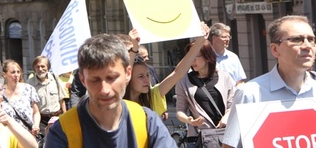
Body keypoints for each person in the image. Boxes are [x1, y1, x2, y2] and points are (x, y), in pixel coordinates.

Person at [221, 15, 316, 148]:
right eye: (297, 39)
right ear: (275, 49)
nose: (307, 46)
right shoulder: (250, 94)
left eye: (311, 39)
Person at [44, 34, 176, 147]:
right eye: (95, 80)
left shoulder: (147, 122)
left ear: (128, 73)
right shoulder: (62, 131)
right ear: (82, 79)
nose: (105, 90)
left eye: (111, 78)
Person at [124, 32, 209, 118]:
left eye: (148, 75)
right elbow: (127, 71)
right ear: (128, 77)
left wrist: (200, 41)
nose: (147, 80)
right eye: (141, 76)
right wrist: (134, 48)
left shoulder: (153, 96)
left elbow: (178, 72)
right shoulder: (120, 101)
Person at [175, 40, 235, 144]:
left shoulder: (224, 77)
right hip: (199, 137)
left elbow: (232, 105)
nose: (192, 60)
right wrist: (189, 120)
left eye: (196, 56)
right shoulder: (184, 81)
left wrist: (225, 118)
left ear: (207, 57)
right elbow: (180, 111)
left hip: (224, 134)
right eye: (190, 56)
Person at [1, 59, 41, 136]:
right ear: (4, 74)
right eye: (13, 72)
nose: (16, 75)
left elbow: (36, 112)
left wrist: (36, 125)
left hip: (28, 134)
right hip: (8, 135)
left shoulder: (29, 89)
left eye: (18, 72)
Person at [26, 56, 66, 129]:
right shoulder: (29, 83)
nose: (40, 69)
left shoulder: (55, 78)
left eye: (42, 66)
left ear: (48, 67)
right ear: (34, 69)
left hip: (57, 117)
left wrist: (65, 115)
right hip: (41, 120)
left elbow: (62, 100)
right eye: (37, 67)